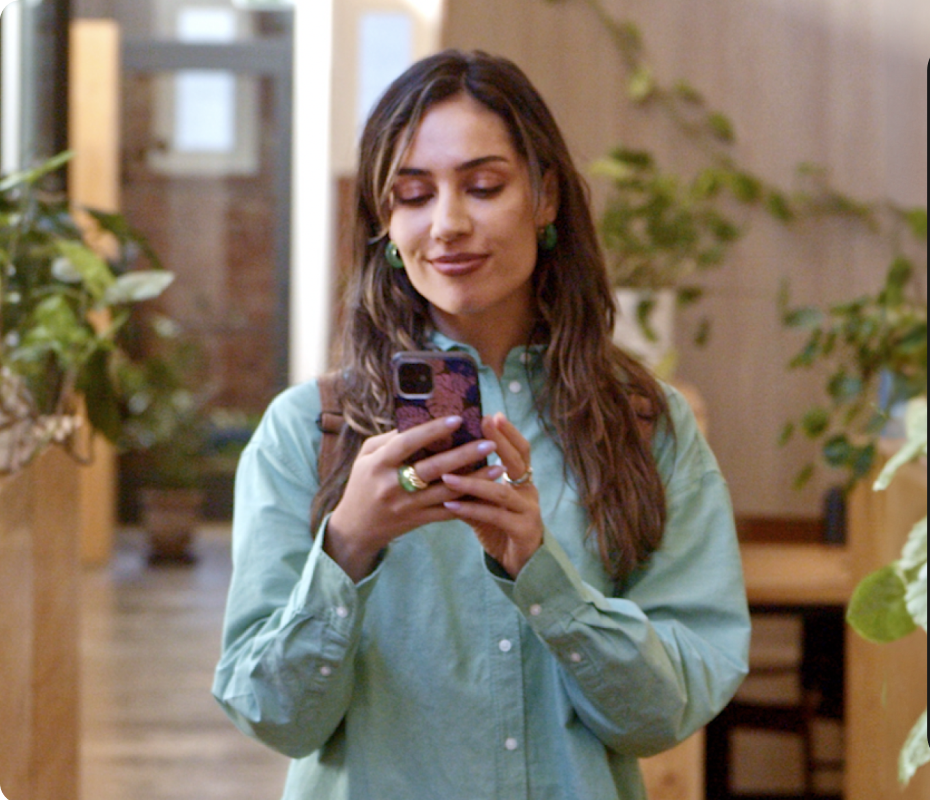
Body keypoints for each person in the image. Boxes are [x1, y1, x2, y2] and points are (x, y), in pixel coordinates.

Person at [213, 50, 750, 799]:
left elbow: (665, 715)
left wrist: (542, 574)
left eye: (484, 186)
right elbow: (273, 717)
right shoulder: (309, 430)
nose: (449, 224)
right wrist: (347, 547)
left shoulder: (643, 426)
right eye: (413, 195)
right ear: (384, 226)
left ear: (547, 196)